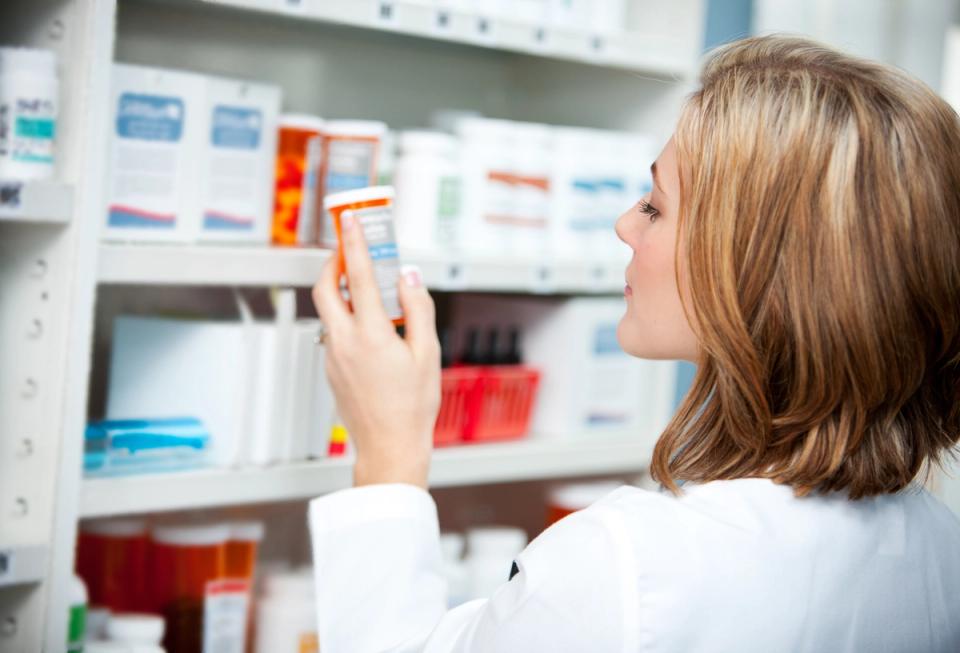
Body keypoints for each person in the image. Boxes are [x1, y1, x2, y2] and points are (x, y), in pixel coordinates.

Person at [308, 35, 960, 652]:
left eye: (655, 205)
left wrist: (389, 451)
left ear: (759, 269)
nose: (625, 223)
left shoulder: (629, 564)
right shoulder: (940, 545)